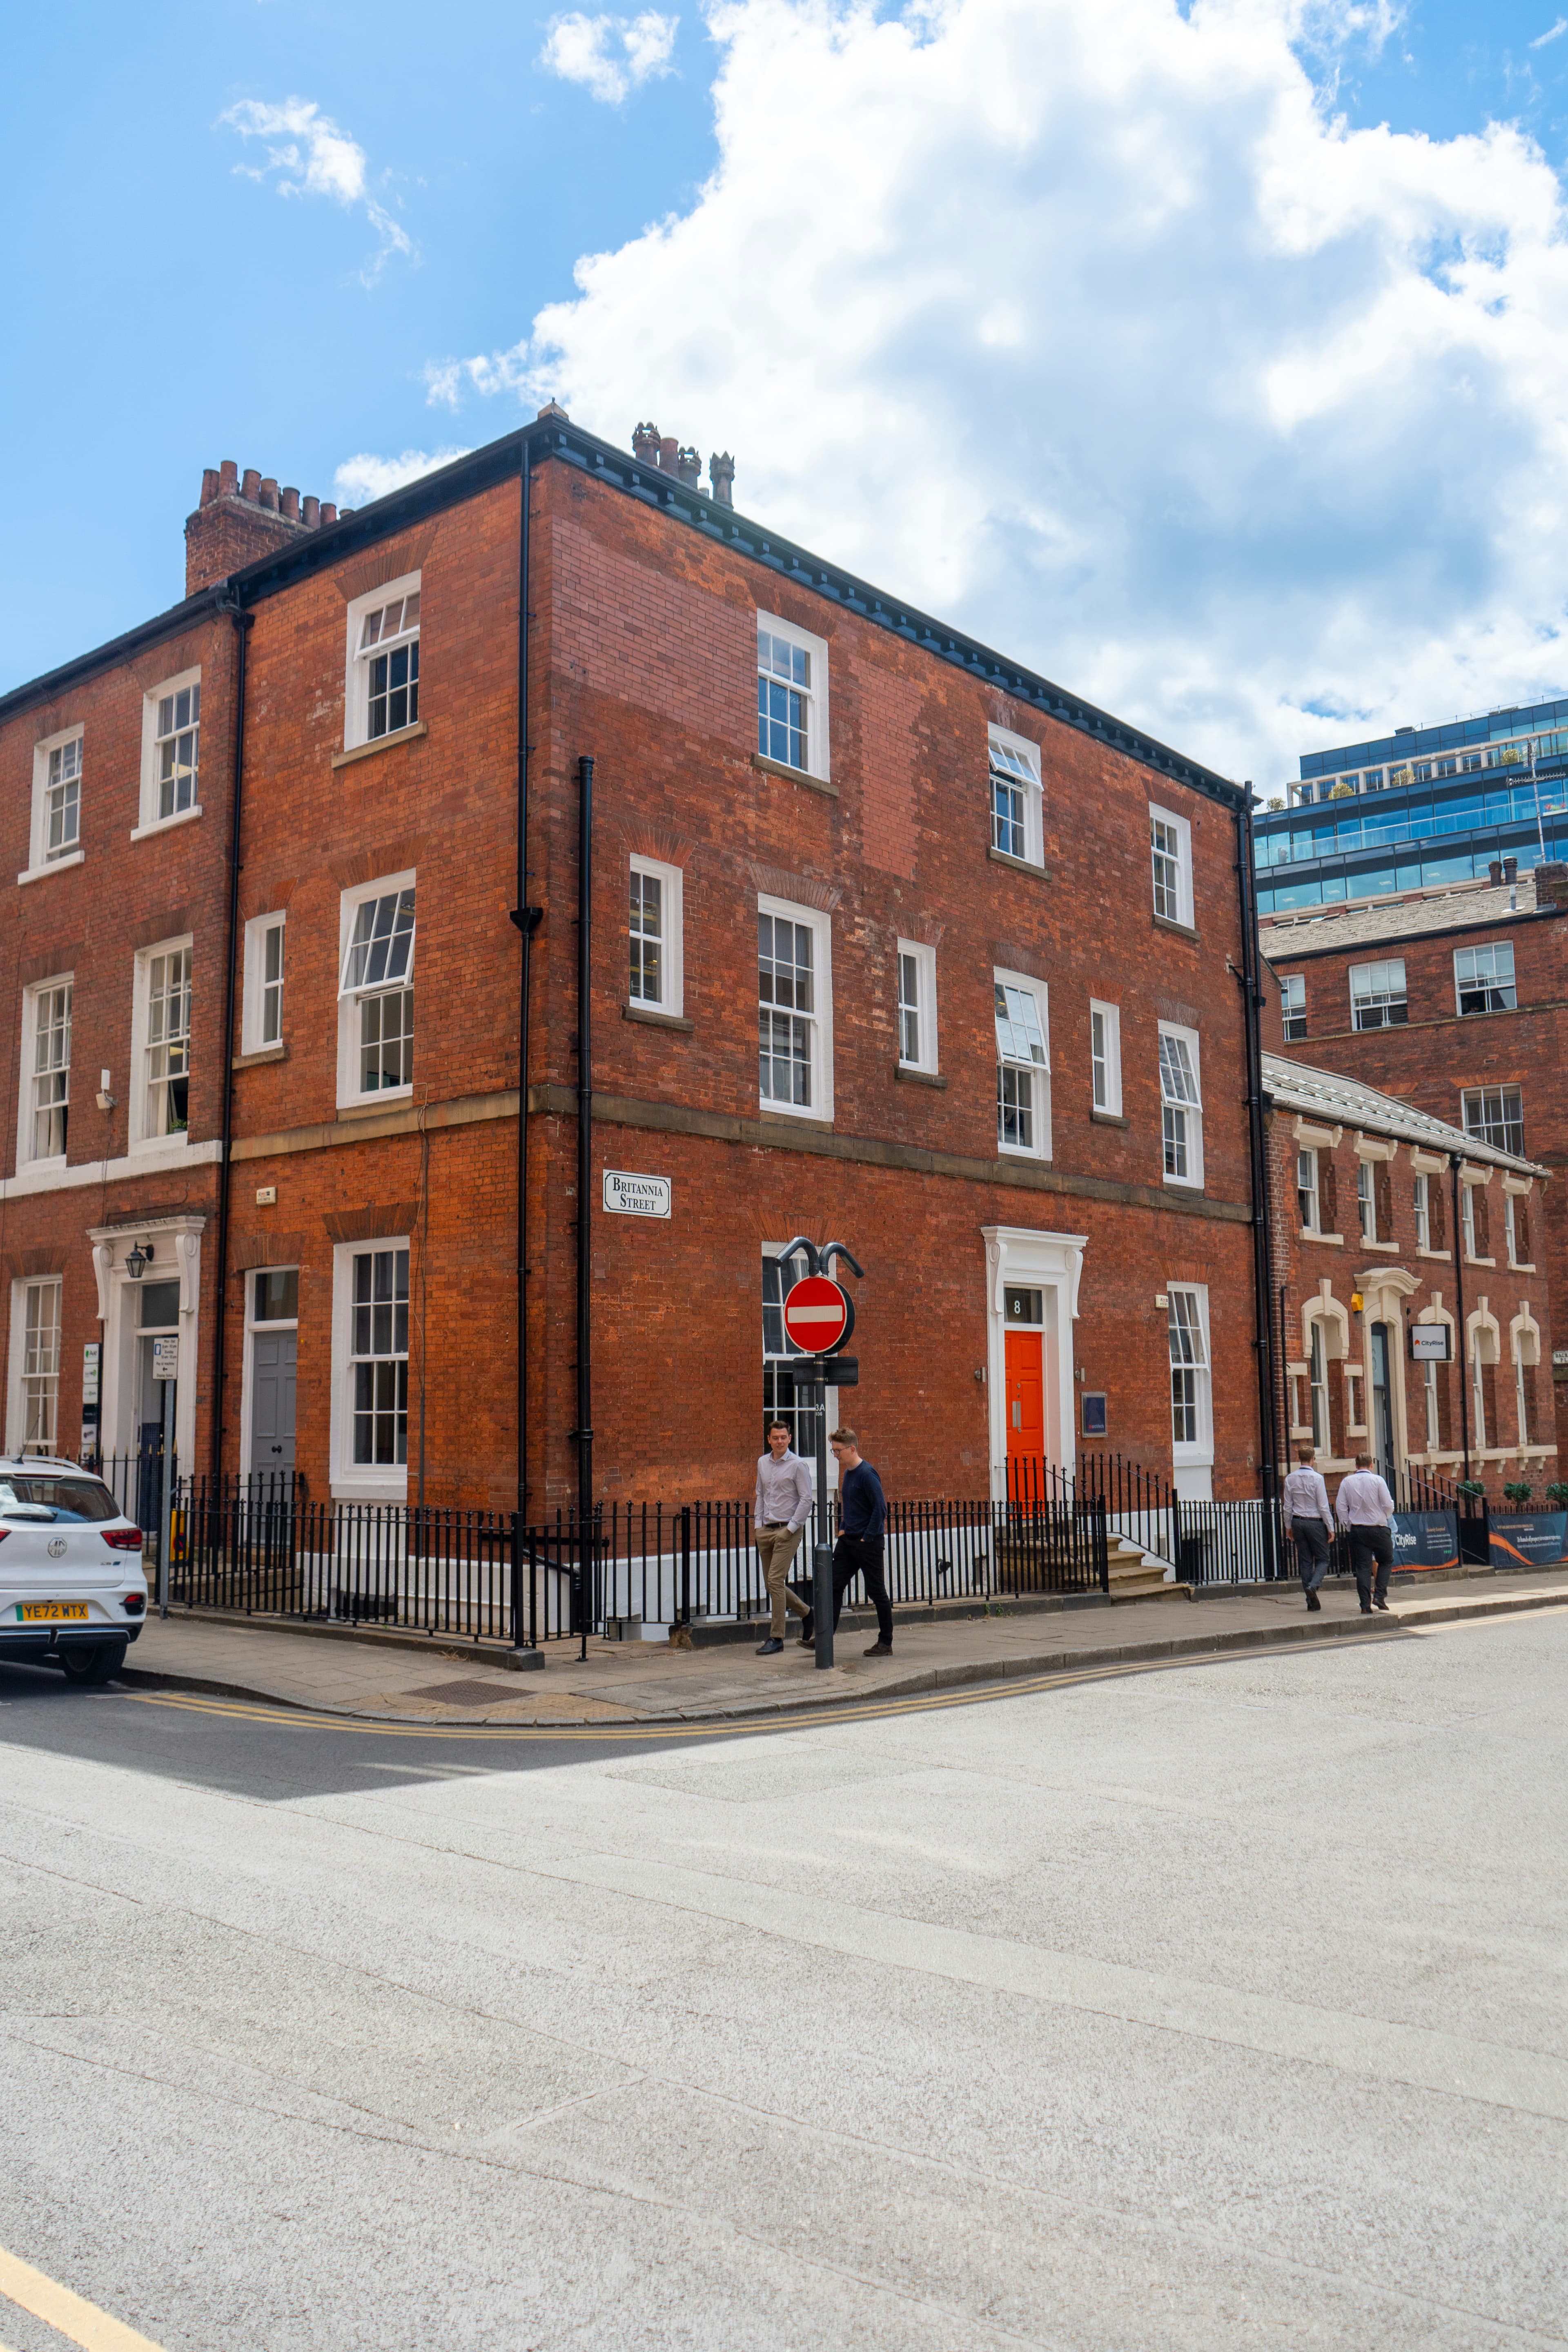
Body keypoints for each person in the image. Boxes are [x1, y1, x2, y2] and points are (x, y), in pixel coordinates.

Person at [800, 1428, 893, 1657]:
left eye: (838, 1451)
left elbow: (880, 1509)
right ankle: (823, 1639)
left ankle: (886, 1642)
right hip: (848, 1542)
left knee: (876, 1591)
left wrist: (866, 1537)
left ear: (852, 1449)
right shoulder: (850, 1474)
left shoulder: (867, 1474)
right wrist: (842, 1527)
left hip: (867, 1543)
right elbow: (850, 1505)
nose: (836, 1455)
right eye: (833, 1450)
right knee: (833, 1586)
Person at [753, 1419, 813, 1656]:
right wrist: (758, 1526)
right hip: (765, 1530)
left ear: (790, 1439)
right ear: (769, 1440)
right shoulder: (762, 1463)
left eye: (783, 1438)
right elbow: (760, 1494)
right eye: (775, 1438)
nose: (779, 1441)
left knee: (775, 1582)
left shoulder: (798, 1465)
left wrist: (790, 1528)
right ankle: (808, 1614)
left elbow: (806, 1499)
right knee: (771, 1584)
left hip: (787, 1531)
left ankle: (777, 1637)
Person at [1336, 1451, 1396, 1614]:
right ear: (1371, 1465)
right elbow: (1388, 1505)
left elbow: (1341, 1507)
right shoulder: (1378, 1480)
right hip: (1378, 1529)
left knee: (1362, 1567)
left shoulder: (1347, 1482)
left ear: (1356, 1466)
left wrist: (1349, 1526)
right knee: (1386, 1561)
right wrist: (1386, 1516)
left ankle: (1365, 1605)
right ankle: (1380, 1596)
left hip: (1357, 1530)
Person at [1281, 1444, 1334, 1612]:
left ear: (1299, 1458)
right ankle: (1313, 1586)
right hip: (1315, 1523)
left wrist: (1288, 1526)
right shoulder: (1318, 1479)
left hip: (1298, 1522)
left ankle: (1311, 1602)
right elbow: (1323, 1506)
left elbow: (1287, 1506)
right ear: (1313, 1459)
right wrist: (1331, 1527)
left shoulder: (1290, 1478)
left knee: (1305, 1561)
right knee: (1323, 1559)